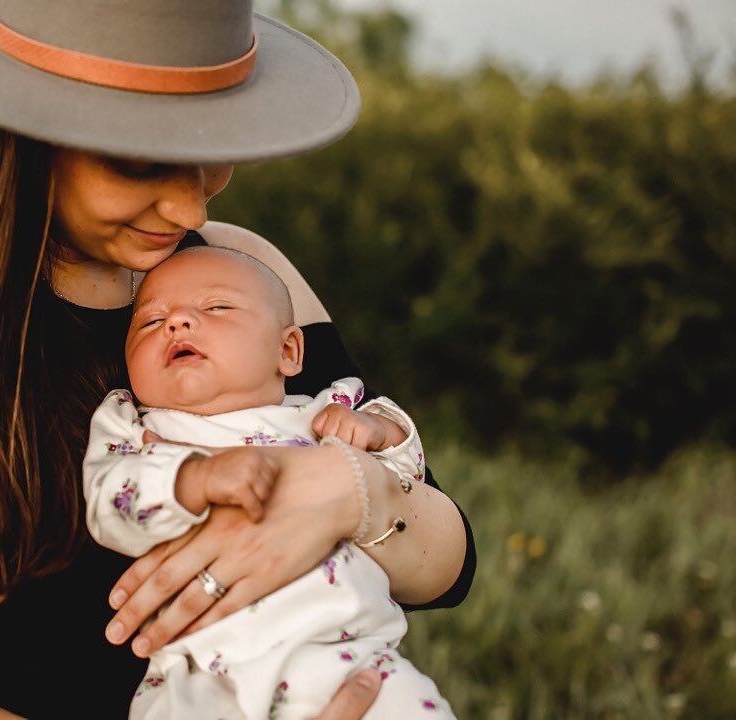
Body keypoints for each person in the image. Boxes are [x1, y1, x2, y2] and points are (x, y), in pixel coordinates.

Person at [0, 1, 476, 717]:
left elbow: (447, 569)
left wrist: (354, 489)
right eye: (140, 162)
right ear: (20, 134)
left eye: (211, 142)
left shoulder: (240, 271)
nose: (190, 210)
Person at [83, 246, 456, 719]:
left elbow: (410, 480)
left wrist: (383, 432)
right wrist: (193, 478)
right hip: (201, 676)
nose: (176, 321)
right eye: (150, 323)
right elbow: (109, 502)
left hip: (352, 656)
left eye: (216, 307)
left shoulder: (326, 411)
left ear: (288, 350)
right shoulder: (132, 428)